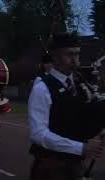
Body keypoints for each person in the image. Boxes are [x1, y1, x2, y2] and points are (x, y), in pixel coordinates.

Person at [28, 32, 105, 180]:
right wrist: (80, 148)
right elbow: (38, 134)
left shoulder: (80, 84)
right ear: (55, 57)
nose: (75, 59)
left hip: (75, 165)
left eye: (77, 54)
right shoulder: (42, 88)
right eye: (69, 54)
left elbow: (83, 114)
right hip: (51, 167)